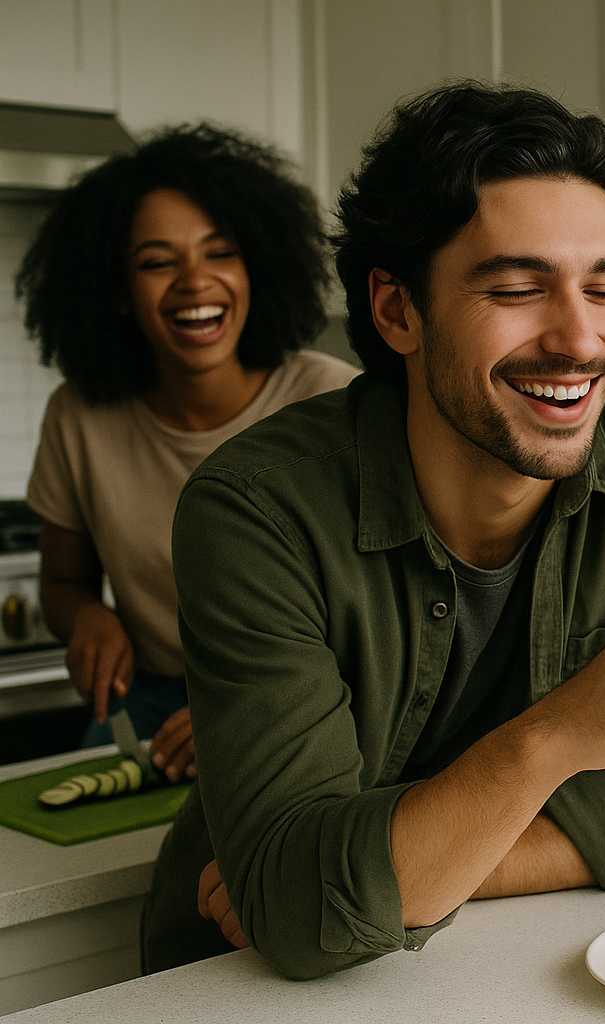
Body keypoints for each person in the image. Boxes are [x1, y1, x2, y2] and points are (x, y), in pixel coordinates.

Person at [139, 83, 605, 979]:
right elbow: (295, 917)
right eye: (519, 288)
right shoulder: (255, 509)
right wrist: (562, 734)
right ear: (397, 310)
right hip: (228, 984)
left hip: (504, 970)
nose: (579, 339)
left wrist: (391, 878)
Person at [16, 125, 358, 782]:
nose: (194, 284)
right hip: (145, 708)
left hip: (310, 702)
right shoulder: (79, 416)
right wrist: (87, 617)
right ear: (117, 289)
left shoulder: (330, 401)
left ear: (255, 266)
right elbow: (63, 585)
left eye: (220, 253)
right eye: (156, 262)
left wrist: (257, 706)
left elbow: (375, 617)